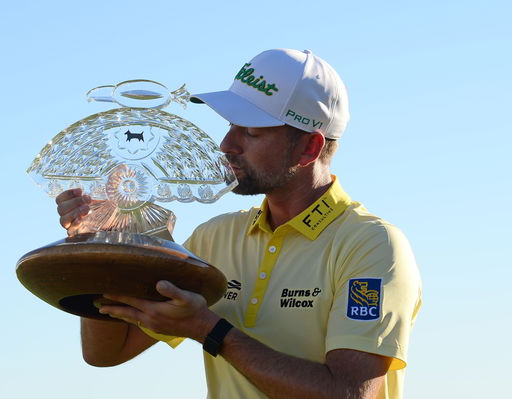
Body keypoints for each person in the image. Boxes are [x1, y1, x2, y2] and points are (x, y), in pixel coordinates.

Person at [55, 49, 422, 399]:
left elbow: (348, 393)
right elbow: (107, 352)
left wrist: (210, 330)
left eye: (252, 132)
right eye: (231, 126)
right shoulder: (214, 237)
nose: (227, 144)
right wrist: (99, 246)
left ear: (309, 148)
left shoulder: (371, 245)